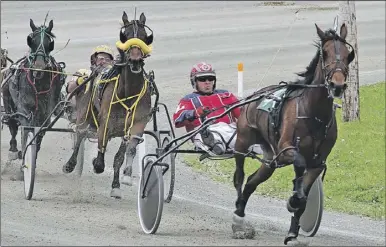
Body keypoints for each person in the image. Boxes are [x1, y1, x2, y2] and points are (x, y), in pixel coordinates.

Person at [173, 62, 256, 156]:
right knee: (209, 138)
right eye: (202, 79)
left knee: (250, 140)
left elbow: (242, 114)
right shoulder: (188, 100)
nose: (207, 82)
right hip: (204, 131)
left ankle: (232, 146)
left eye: (211, 78)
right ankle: (215, 145)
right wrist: (195, 113)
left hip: (230, 130)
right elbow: (178, 120)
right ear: (194, 81)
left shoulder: (226, 95)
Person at [61, 45, 115, 122]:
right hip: (84, 107)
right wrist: (78, 81)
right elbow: (69, 88)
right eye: (101, 59)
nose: (104, 61)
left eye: (107, 59)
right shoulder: (84, 72)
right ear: (94, 60)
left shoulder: (114, 77)